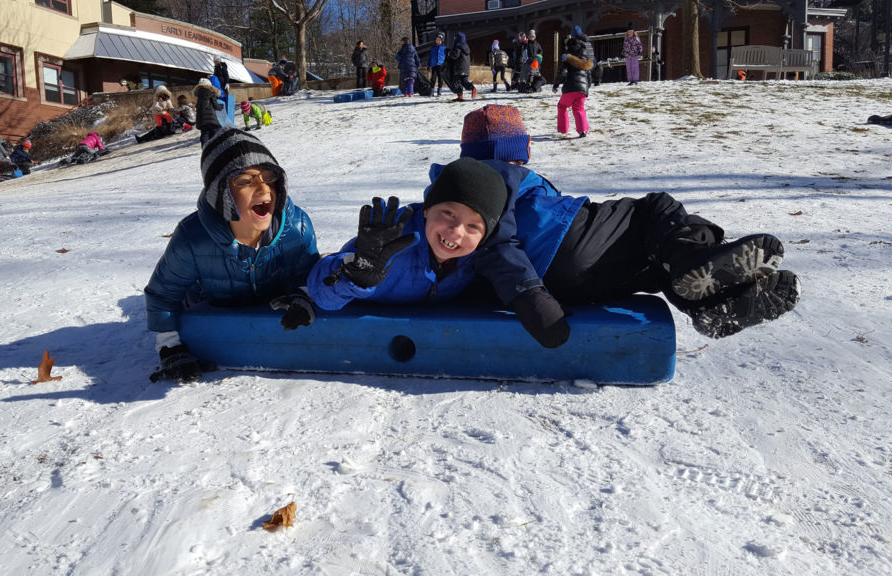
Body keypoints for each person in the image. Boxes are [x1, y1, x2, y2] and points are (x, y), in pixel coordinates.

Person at [305, 105, 800, 345]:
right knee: (656, 212)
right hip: (560, 253)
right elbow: (497, 242)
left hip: (566, 279)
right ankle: (696, 268)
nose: (456, 229)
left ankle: (714, 299)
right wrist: (531, 301)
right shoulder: (491, 181)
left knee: (651, 263)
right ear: (519, 150)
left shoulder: (454, 207)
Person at [144, 129, 320, 383]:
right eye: (245, 181)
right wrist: (170, 345)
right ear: (220, 194)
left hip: (272, 301)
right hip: (211, 301)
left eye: (269, 177)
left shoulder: (297, 227)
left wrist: (303, 295)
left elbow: (309, 272)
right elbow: (164, 292)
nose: (263, 188)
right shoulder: (193, 238)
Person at [552, 27, 596, 138]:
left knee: (562, 106)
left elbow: (563, 72)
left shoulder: (568, 58)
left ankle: (563, 129)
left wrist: (556, 85)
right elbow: (589, 74)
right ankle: (583, 131)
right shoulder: (585, 58)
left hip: (570, 88)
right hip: (582, 89)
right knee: (579, 109)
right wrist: (587, 87)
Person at [194, 78, 225, 146]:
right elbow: (215, 105)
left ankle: (205, 147)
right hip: (210, 117)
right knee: (215, 131)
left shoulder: (199, 95)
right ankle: (215, 147)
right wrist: (220, 107)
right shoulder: (210, 92)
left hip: (201, 119)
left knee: (205, 133)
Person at [449, 31, 476, 101]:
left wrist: (449, 54)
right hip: (465, 69)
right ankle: (472, 88)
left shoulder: (458, 46)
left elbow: (455, 56)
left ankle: (460, 96)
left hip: (459, 68)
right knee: (464, 81)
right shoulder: (466, 47)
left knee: (457, 82)